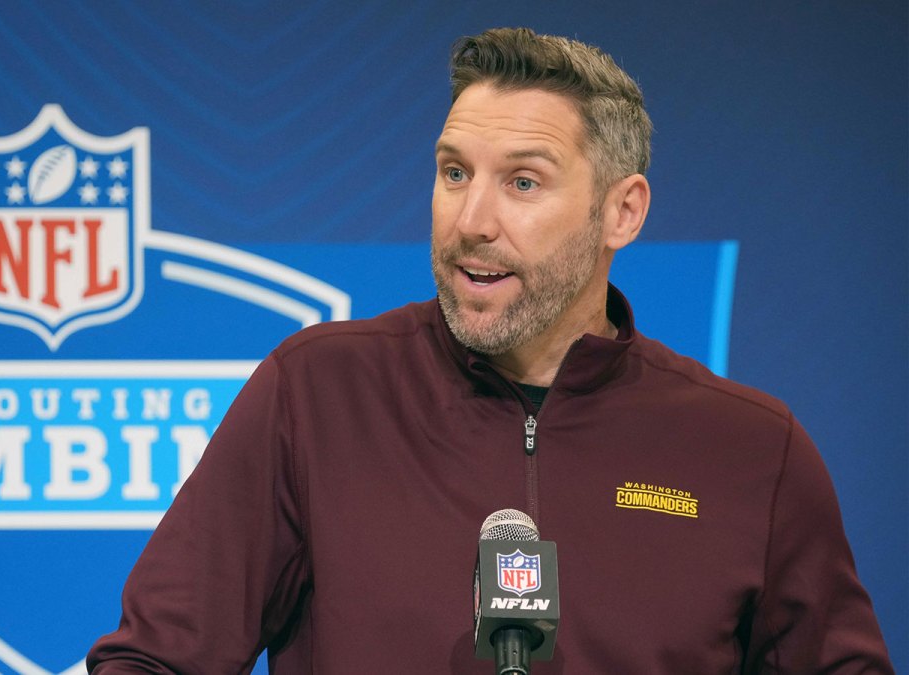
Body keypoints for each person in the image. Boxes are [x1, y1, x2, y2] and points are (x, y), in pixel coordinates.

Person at [87, 27, 891, 673]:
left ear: (623, 211)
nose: (470, 218)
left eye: (523, 182)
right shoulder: (317, 393)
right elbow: (152, 658)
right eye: (453, 172)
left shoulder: (751, 449)